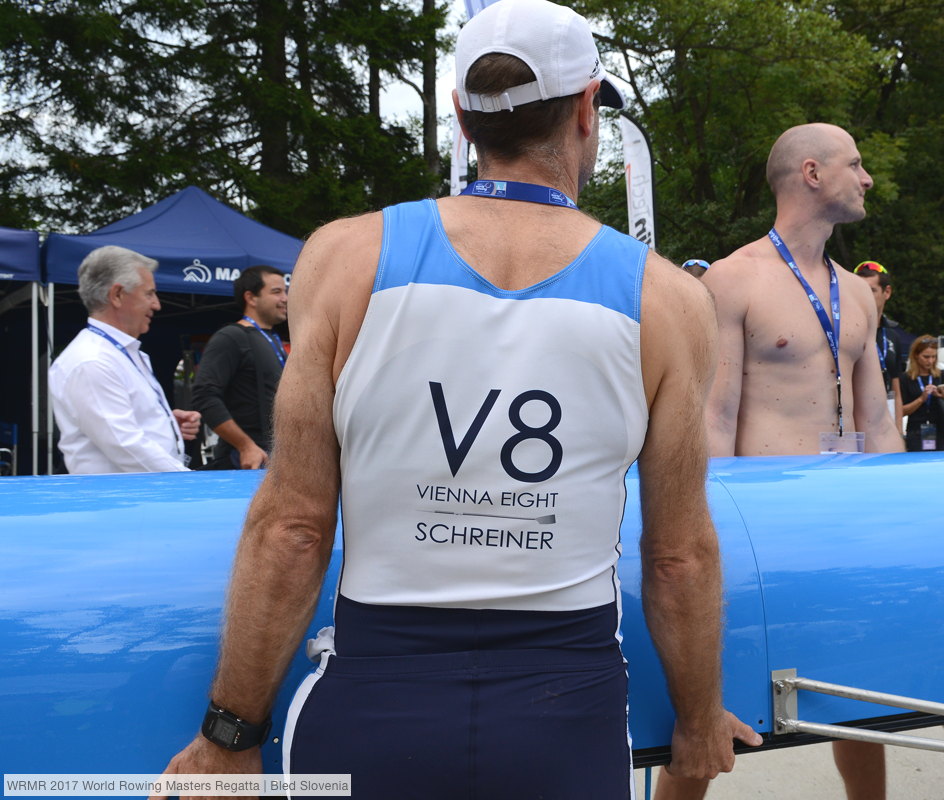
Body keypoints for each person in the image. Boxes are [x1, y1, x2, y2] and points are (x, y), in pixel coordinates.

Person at [154, 0, 758, 797]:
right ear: (587, 110)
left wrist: (227, 739)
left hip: (374, 706)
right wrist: (695, 720)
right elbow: (679, 556)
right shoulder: (668, 300)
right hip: (563, 717)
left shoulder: (346, 257)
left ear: (460, 119)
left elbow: (295, 527)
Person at [662, 123, 902, 800]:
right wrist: (706, 542)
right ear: (812, 173)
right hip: (759, 529)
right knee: (707, 710)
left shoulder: (857, 295)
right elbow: (712, 419)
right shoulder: (733, 280)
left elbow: (876, 421)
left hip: (847, 522)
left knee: (862, 700)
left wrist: (907, 513)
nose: (868, 177)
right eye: (856, 164)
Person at [48, 245, 200, 474]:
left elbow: (118, 429)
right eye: (149, 293)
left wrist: (167, 424)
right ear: (117, 295)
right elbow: (125, 445)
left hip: (138, 495)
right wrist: (187, 483)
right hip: (122, 501)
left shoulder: (118, 353)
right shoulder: (92, 360)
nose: (156, 304)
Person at [191, 265, 289, 469]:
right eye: (276, 292)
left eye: (285, 291)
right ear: (251, 298)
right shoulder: (231, 337)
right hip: (244, 463)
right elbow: (205, 395)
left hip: (276, 460)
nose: (285, 298)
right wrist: (245, 446)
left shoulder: (273, 340)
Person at [854, 260, 905, 433]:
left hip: (886, 423)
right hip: (856, 424)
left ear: (887, 292)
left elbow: (896, 390)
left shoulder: (892, 335)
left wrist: (899, 431)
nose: (864, 296)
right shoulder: (845, 332)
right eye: (859, 290)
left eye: (871, 290)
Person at [898, 336, 944, 452]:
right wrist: (921, 399)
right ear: (916, 356)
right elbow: (900, 412)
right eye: (926, 357)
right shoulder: (905, 379)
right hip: (916, 431)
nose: (930, 361)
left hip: (941, 430)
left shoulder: (943, 375)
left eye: (934, 357)